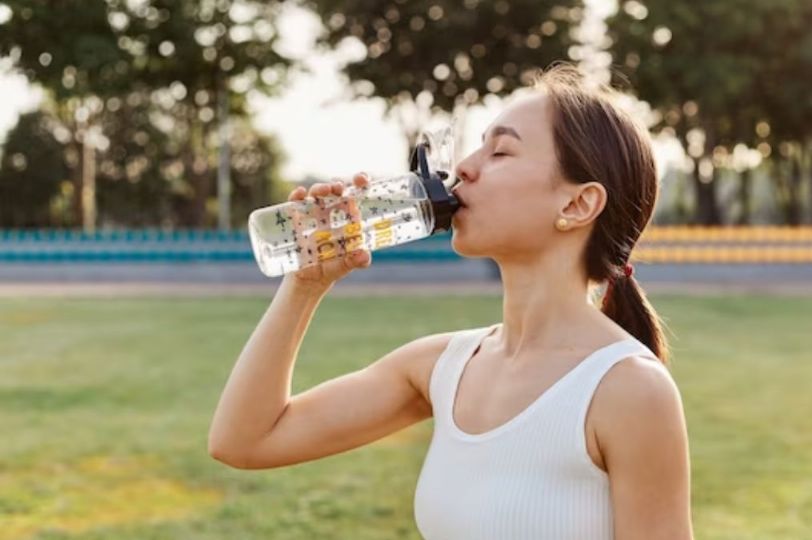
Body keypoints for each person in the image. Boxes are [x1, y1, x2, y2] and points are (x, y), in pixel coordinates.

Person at [209, 63, 693, 539]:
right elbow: (245, 440)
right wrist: (304, 286)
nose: (463, 167)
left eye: (500, 151)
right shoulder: (440, 367)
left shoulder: (629, 391)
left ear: (576, 204)